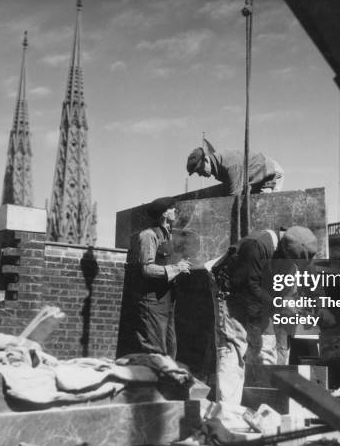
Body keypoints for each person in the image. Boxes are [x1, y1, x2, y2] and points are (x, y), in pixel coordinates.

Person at [210, 226, 319, 404]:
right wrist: (280, 305)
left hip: (261, 296)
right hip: (233, 291)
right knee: (233, 347)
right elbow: (249, 286)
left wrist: (316, 305)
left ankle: (261, 406)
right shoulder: (257, 245)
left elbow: (308, 273)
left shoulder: (300, 247)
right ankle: (227, 411)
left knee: (266, 349)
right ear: (284, 252)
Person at [116, 197, 191, 359]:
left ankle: (166, 382)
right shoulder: (148, 235)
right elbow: (146, 268)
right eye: (172, 208)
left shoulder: (168, 234)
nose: (175, 211)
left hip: (167, 301)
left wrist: (180, 265)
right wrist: (175, 268)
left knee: (170, 349)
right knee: (154, 350)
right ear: (164, 213)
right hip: (152, 302)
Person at [186, 147, 284, 196]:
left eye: (199, 170)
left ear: (206, 160)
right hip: (257, 179)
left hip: (271, 174)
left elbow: (235, 197)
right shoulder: (218, 167)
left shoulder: (230, 165)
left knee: (265, 209)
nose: (199, 175)